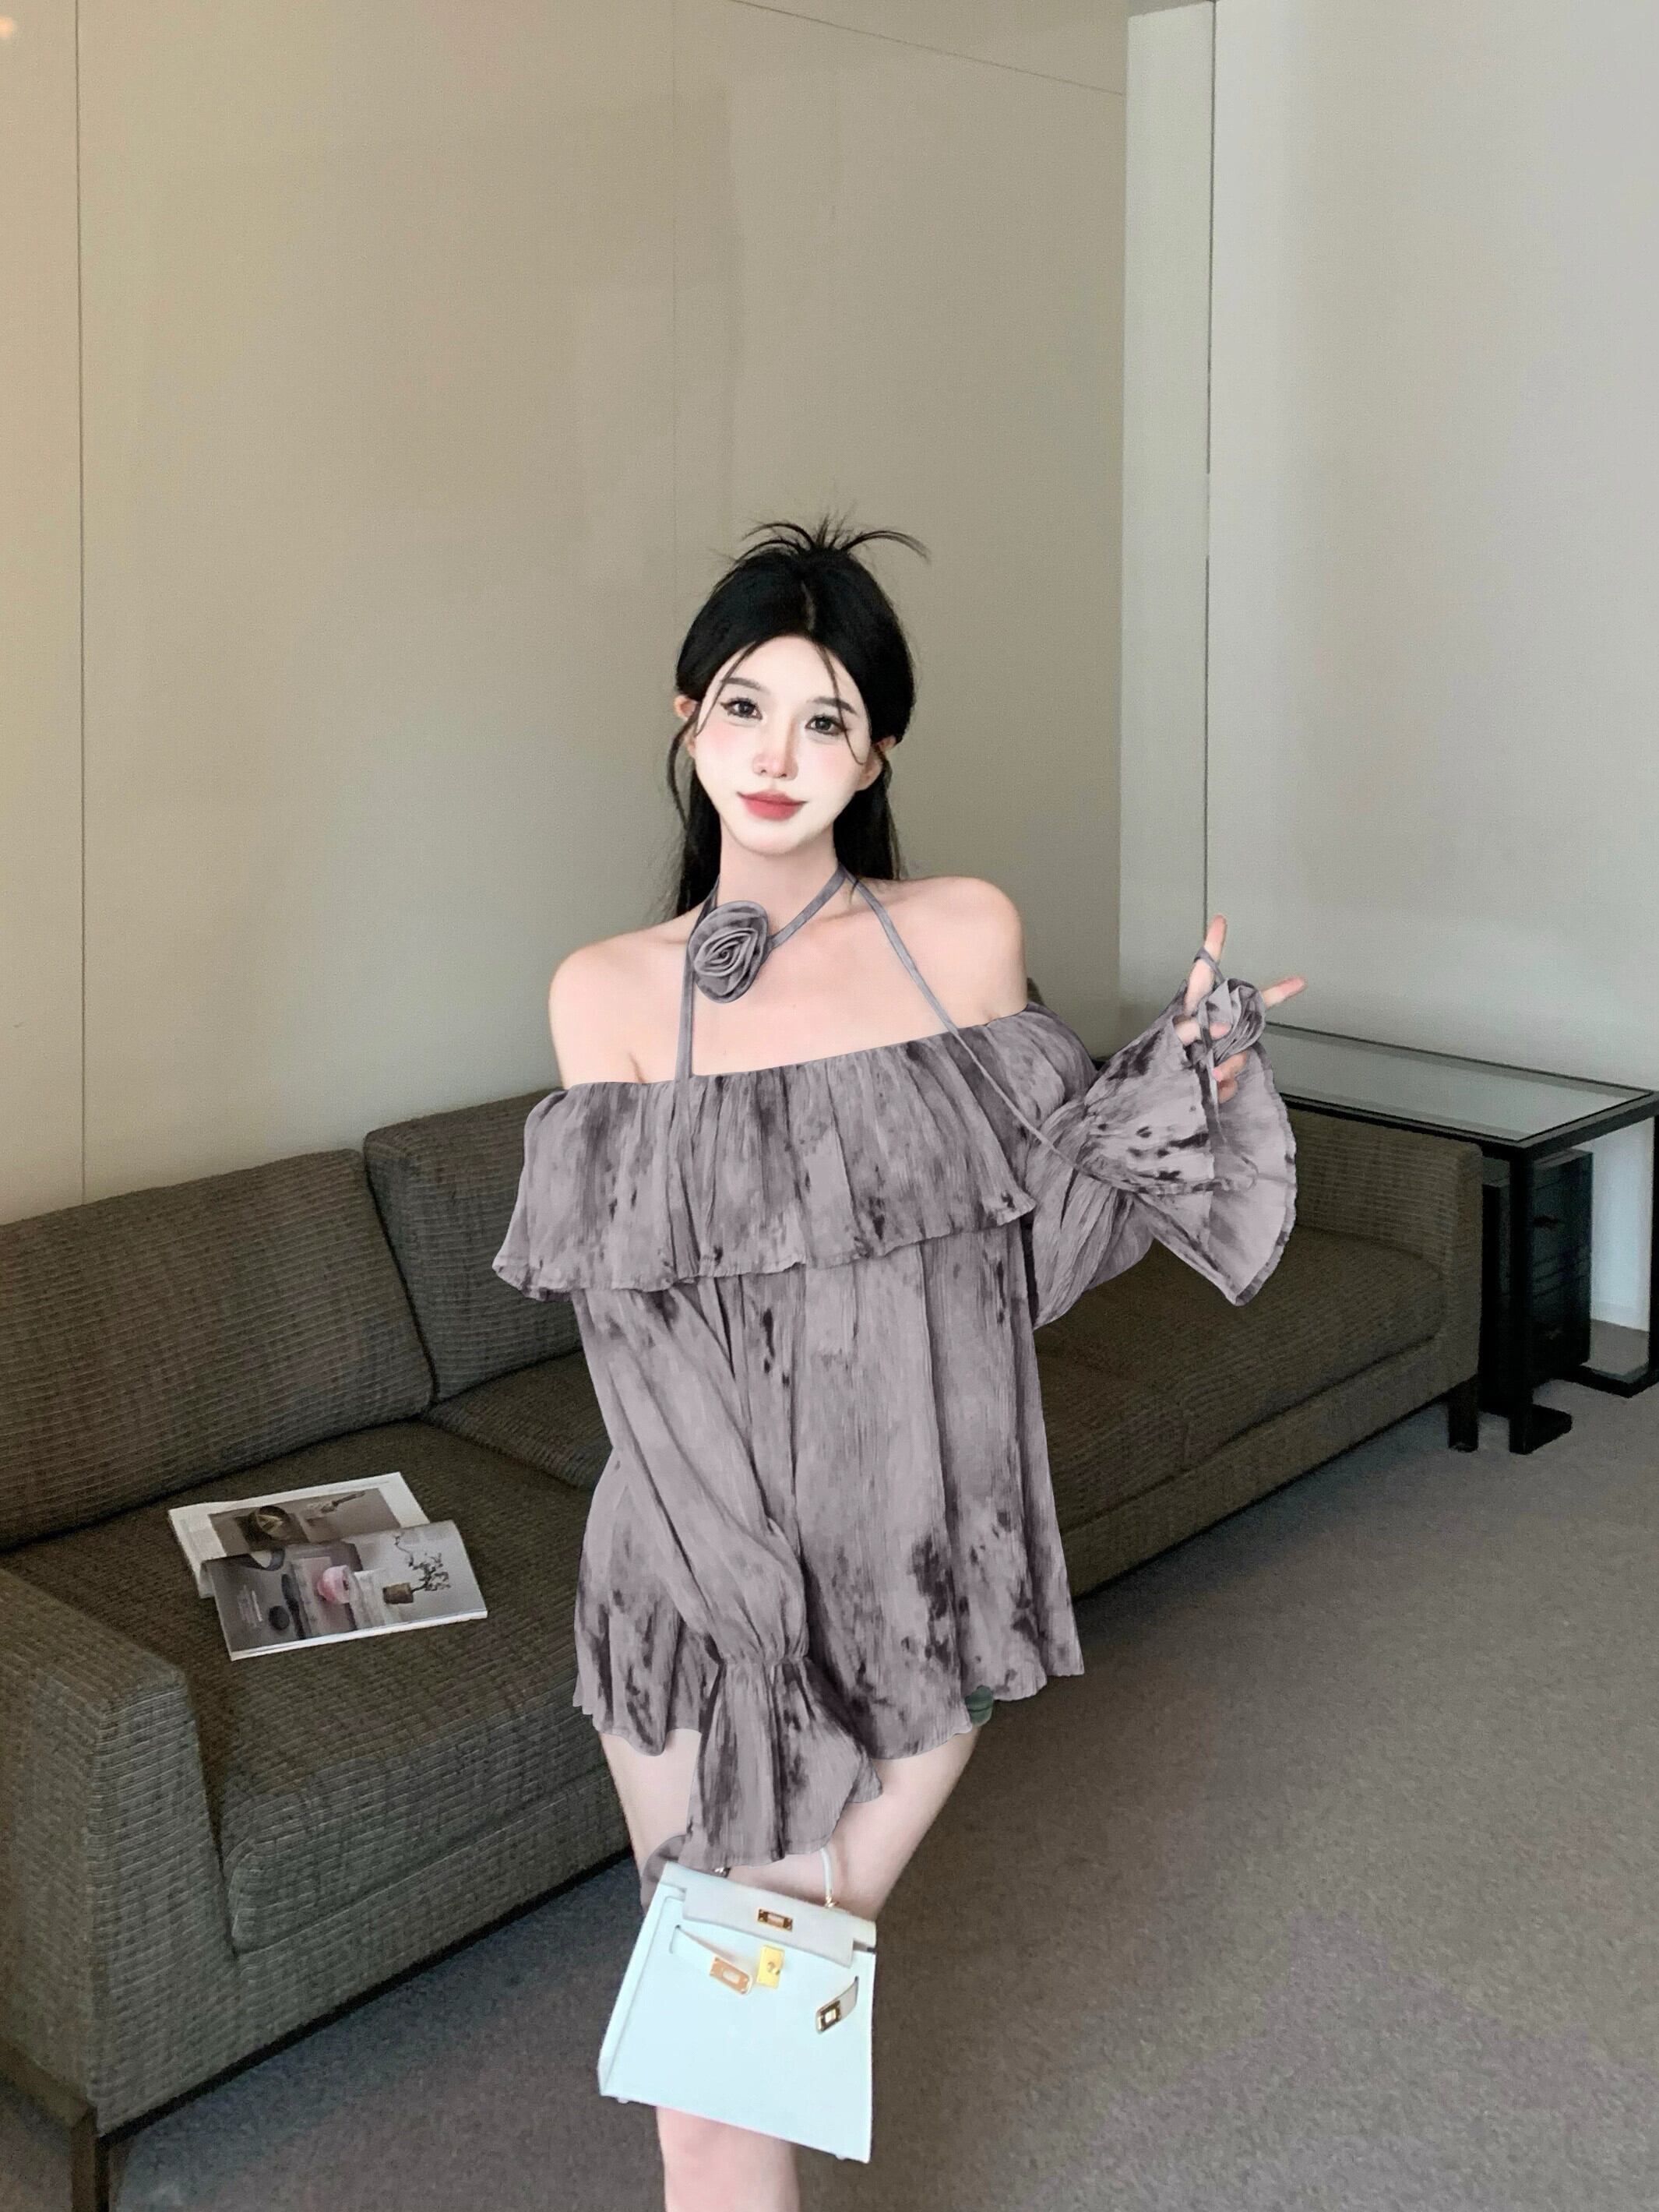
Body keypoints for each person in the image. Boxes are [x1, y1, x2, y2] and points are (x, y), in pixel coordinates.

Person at [494, 514, 1306, 2210]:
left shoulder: (961, 935)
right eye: (743, 706)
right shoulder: (607, 994)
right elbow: (637, 1354)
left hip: (917, 1583)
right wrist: (754, 1620)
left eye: (826, 719)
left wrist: (1183, 1086)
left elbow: (1022, 1266)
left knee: (737, 2046)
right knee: (716, 2098)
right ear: (686, 718)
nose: (776, 755)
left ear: (875, 755)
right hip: (694, 1593)